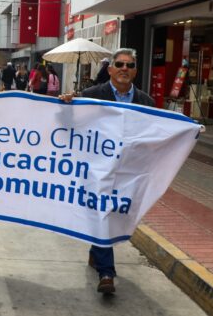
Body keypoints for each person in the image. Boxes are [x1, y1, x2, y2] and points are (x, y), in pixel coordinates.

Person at [59, 48, 154, 295]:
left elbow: (156, 134)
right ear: (110, 69)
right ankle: (107, 273)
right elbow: (69, 125)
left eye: (130, 65)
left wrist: (188, 131)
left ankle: (95, 253)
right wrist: (66, 107)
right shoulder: (91, 96)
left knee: (112, 215)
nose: (124, 69)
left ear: (135, 71)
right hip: (97, 169)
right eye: (120, 64)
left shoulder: (147, 102)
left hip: (127, 172)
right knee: (100, 211)